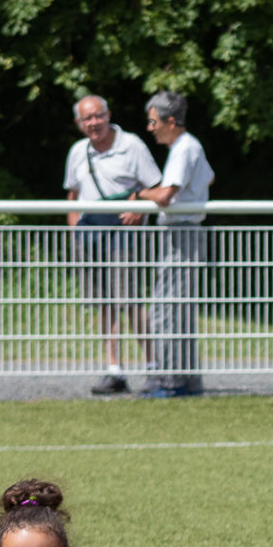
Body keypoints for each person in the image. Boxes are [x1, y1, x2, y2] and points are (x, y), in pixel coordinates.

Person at [63, 94, 163, 397]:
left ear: (108, 115)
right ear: (79, 123)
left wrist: (138, 209)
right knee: (103, 304)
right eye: (87, 118)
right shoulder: (78, 152)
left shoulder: (131, 145)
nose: (94, 123)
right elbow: (72, 195)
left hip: (124, 231)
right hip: (89, 232)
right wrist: (75, 231)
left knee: (130, 300)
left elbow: (155, 187)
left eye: (98, 116)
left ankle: (153, 367)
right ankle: (114, 369)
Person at [140, 90, 214, 399]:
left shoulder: (183, 149)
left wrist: (139, 194)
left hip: (181, 235)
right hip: (187, 233)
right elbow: (209, 177)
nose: (150, 128)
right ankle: (188, 380)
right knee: (178, 309)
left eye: (153, 122)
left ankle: (171, 382)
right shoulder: (191, 146)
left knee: (167, 309)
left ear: (170, 121)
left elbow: (165, 195)